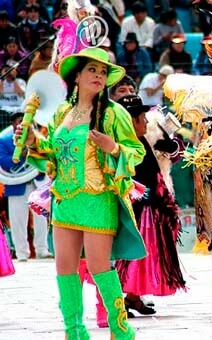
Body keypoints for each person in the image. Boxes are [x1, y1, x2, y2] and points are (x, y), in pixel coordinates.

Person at [18, 47, 145, 339]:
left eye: (102, 72)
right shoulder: (61, 112)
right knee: (65, 270)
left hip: (98, 198)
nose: (98, 76)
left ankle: (121, 331)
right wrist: (29, 143)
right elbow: (52, 155)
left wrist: (112, 148)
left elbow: (136, 152)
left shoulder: (114, 114)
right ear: (76, 76)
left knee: (100, 268)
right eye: (92, 70)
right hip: (64, 199)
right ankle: (74, 332)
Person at [116, 94, 186, 316]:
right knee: (129, 254)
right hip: (135, 208)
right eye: (142, 118)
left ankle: (133, 297)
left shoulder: (142, 139)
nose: (146, 122)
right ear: (132, 121)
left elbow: (176, 154)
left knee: (144, 254)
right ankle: (117, 300)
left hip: (150, 205)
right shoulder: (122, 145)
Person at [0, 111, 50, 261]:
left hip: (36, 182)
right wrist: (23, 153)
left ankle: (42, 250)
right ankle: (22, 253)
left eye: (26, 120)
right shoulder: (5, 141)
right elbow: (5, 162)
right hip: (16, 185)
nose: (23, 123)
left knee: (41, 218)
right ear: (13, 125)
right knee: (17, 220)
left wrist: (32, 147)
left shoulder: (38, 139)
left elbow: (45, 157)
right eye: (20, 121)